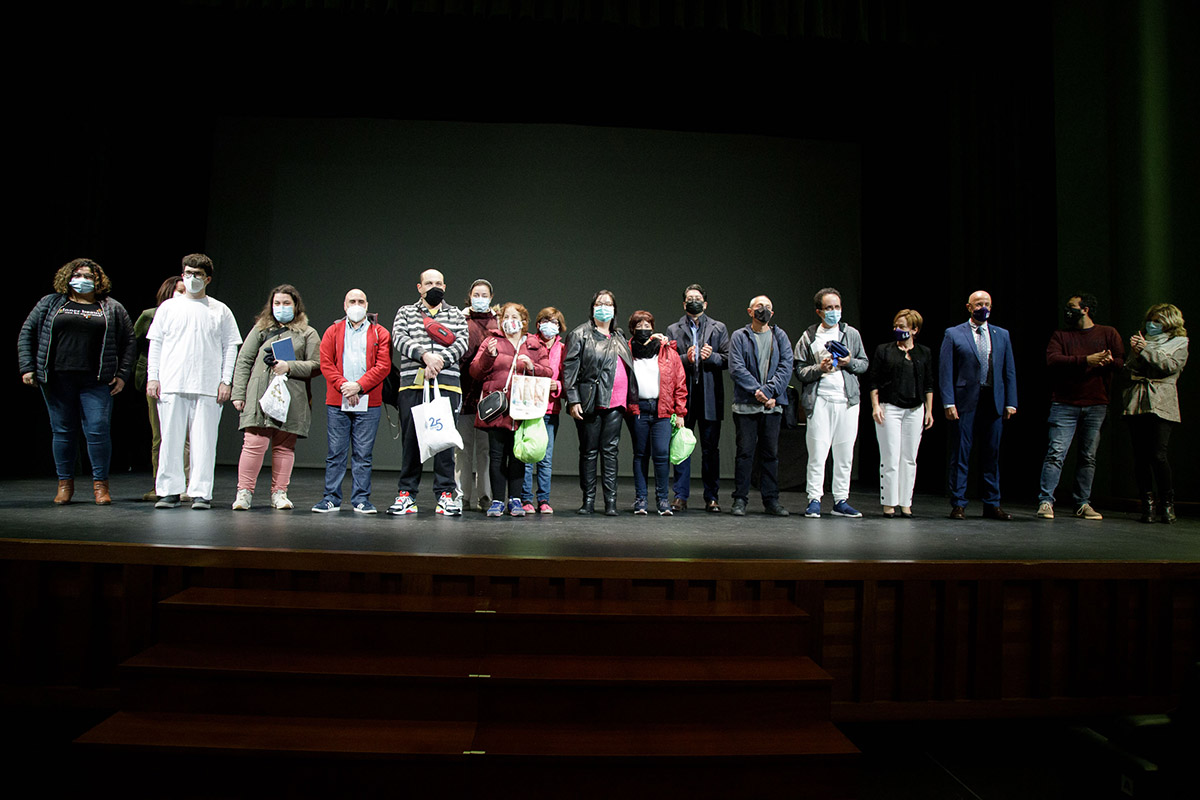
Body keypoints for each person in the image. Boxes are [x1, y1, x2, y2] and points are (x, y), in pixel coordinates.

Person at [19, 258, 136, 505]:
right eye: (78, 275)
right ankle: (65, 485)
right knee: (62, 432)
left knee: (98, 430)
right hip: (57, 379)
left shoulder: (111, 307)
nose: (83, 280)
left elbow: (129, 342)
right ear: (67, 278)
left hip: (97, 380)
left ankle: (100, 486)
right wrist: (27, 367)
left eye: (89, 276)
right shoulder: (51, 303)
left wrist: (123, 375)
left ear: (98, 280)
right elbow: (27, 333)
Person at [146, 253, 242, 510]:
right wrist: (153, 377)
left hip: (207, 385)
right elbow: (156, 344)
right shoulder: (168, 308)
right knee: (170, 440)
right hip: (172, 382)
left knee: (204, 442)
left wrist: (226, 381)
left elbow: (230, 347)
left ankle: (201, 492)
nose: (192, 278)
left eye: (197, 274)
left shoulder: (220, 310)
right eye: (188, 273)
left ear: (207, 279)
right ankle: (168, 491)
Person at [230, 285, 320, 510]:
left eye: (286, 303)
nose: (281, 307)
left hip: (291, 396)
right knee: (253, 443)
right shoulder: (260, 329)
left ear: (296, 305)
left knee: (284, 447)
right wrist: (238, 393)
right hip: (259, 394)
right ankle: (244, 493)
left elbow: (317, 365)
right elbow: (244, 360)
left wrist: (289, 366)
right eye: (277, 303)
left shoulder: (307, 333)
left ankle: (279, 493)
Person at [1037, 293, 1125, 521]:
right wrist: (1086, 360)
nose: (1068, 311)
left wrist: (1107, 361)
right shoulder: (1061, 335)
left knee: (1088, 457)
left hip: (1096, 404)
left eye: (1072, 306)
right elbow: (1053, 359)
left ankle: (1082, 503)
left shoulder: (1108, 333)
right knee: (1056, 453)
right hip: (1064, 403)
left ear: (1085, 309)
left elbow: (1120, 363)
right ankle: (1046, 501)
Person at [388, 269, 469, 516]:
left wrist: (439, 361)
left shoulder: (455, 314)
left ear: (444, 287)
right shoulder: (406, 312)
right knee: (411, 441)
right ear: (419, 287)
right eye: (428, 283)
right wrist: (425, 356)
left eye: (438, 283)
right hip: (412, 385)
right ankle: (406, 494)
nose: (433, 286)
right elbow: (399, 338)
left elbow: (462, 343)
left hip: (446, 385)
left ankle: (445, 495)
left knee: (444, 442)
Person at [939, 290, 1018, 520]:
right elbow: (946, 370)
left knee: (992, 453)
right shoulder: (954, 333)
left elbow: (1009, 370)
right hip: (965, 400)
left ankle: (992, 503)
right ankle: (959, 503)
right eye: (978, 304)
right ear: (969, 307)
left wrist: (1011, 402)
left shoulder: (1001, 334)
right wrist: (948, 401)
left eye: (987, 304)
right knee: (961, 452)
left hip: (993, 399)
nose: (983, 307)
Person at [312, 289, 392, 514]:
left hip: (368, 401)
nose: (356, 305)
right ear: (345, 305)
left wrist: (359, 386)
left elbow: (383, 366)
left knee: (363, 454)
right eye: (352, 301)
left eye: (361, 301)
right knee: (335, 453)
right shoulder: (333, 331)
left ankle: (361, 499)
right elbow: (326, 363)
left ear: (367, 305)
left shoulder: (380, 333)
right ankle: (331, 498)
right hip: (338, 401)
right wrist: (344, 386)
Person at [469, 303, 552, 516]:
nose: (509, 321)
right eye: (506, 316)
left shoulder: (534, 345)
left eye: (514, 317)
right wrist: (488, 355)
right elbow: (475, 371)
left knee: (518, 455)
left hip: (523, 408)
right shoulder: (491, 341)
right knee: (496, 455)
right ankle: (497, 500)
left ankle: (515, 500)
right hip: (498, 408)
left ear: (524, 321)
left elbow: (548, 371)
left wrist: (533, 367)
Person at [794, 287, 870, 519]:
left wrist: (848, 362)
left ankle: (841, 500)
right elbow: (799, 370)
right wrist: (820, 368)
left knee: (845, 453)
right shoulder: (809, 336)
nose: (834, 312)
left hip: (847, 401)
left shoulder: (851, 334)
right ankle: (814, 499)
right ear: (819, 311)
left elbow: (863, 364)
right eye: (828, 308)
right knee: (818, 453)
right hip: (820, 401)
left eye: (837, 307)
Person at [562, 289, 636, 516]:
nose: (604, 307)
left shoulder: (619, 336)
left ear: (614, 310)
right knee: (589, 451)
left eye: (608, 304)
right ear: (592, 308)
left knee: (610, 451)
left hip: (617, 402)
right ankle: (588, 500)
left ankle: (611, 502)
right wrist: (573, 399)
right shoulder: (580, 334)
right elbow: (570, 369)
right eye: (599, 304)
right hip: (590, 401)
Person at [666, 284, 729, 512]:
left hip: (710, 395)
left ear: (705, 303)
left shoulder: (718, 327)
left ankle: (712, 497)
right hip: (684, 396)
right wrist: (686, 358)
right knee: (681, 444)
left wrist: (710, 357)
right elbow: (669, 361)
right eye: (690, 298)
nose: (694, 301)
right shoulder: (673, 329)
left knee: (710, 449)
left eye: (698, 298)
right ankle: (680, 496)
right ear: (684, 304)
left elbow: (728, 359)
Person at [728, 295, 793, 517]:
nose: (763, 310)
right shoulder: (740, 336)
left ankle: (771, 500)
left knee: (770, 454)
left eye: (767, 307)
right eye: (759, 306)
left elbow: (786, 366)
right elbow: (736, 368)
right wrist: (759, 391)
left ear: (772, 313)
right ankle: (740, 499)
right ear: (750, 311)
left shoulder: (780, 336)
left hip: (772, 407)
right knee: (745, 453)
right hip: (746, 406)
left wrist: (770, 392)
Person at [1123, 303, 1188, 524]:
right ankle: (1147, 503)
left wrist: (1146, 350)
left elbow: (1169, 366)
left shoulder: (1180, 343)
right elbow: (1129, 369)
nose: (1152, 324)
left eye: (1157, 321)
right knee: (1140, 456)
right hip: (1138, 401)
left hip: (1162, 401)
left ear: (1169, 322)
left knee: (1158, 454)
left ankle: (1167, 503)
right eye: (1150, 320)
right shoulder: (1143, 341)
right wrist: (1135, 353)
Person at [867, 309, 935, 518]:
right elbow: (874, 380)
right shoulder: (884, 350)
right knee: (891, 456)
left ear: (914, 330)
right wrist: (876, 405)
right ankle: (889, 502)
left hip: (915, 409)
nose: (898, 330)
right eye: (896, 326)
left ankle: (906, 502)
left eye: (902, 327)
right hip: (890, 407)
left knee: (909, 458)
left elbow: (928, 383)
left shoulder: (923, 352)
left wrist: (929, 410)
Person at [627, 311, 688, 516]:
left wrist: (680, 412)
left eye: (647, 325)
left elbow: (680, 383)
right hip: (639, 409)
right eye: (639, 325)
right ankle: (641, 499)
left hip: (662, 409)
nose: (643, 328)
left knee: (661, 454)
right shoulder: (627, 350)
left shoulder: (667, 351)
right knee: (640, 454)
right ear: (632, 329)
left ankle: (663, 500)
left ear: (653, 328)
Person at [133, 276, 187, 501]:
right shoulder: (150, 315)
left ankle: (185, 485)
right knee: (161, 435)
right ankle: (160, 485)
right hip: (159, 381)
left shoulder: (197, 314)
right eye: (180, 291)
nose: (184, 294)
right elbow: (135, 343)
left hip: (185, 379)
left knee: (186, 437)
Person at [456, 279, 499, 512]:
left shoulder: (498, 322)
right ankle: (461, 496)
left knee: (485, 450)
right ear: (470, 296)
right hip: (463, 391)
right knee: (462, 448)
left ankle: (485, 496)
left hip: (489, 394)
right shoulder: (459, 320)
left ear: (491, 298)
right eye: (476, 295)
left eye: (484, 295)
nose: (480, 299)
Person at [520, 306, 567, 514]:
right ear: (538, 324)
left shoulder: (563, 349)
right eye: (546, 321)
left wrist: (559, 386)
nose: (550, 325)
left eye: (555, 322)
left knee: (545, 458)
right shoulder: (528, 343)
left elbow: (567, 377)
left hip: (550, 409)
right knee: (527, 456)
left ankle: (543, 500)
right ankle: (525, 499)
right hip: (529, 408)